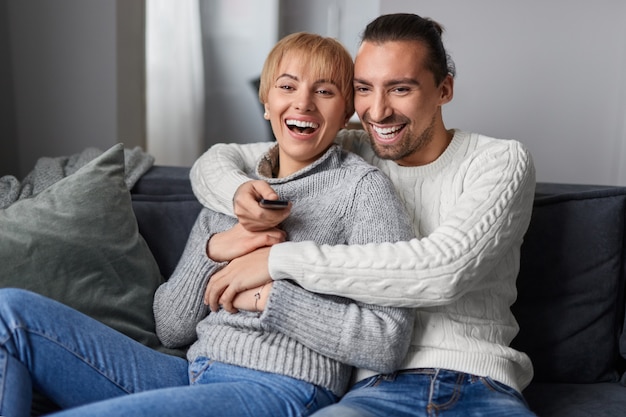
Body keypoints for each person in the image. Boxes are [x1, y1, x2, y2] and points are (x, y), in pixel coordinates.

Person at [0, 32, 415, 417]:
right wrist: (214, 250)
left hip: (281, 386)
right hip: (191, 372)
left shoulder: (361, 190)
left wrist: (269, 298)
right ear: (266, 102)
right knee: (9, 312)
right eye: (287, 87)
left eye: (324, 91)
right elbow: (171, 327)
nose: (303, 103)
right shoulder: (235, 190)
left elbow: (387, 342)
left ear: (346, 113)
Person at [189, 13, 538, 417]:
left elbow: (444, 271)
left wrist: (277, 261)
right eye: (363, 89)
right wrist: (237, 193)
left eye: (400, 89)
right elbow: (218, 159)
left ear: (444, 89)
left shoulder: (499, 160)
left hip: (480, 383)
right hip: (374, 389)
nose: (377, 111)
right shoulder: (353, 151)